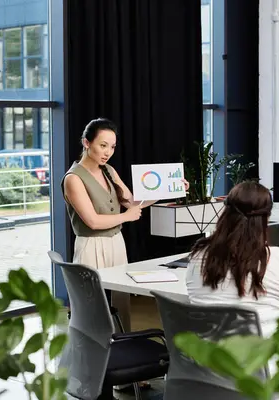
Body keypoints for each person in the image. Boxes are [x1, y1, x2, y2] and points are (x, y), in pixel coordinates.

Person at [62, 118, 188, 330]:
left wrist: (172, 188)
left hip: (116, 241)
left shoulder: (109, 171)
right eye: (102, 146)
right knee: (90, 303)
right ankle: (91, 349)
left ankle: (123, 342)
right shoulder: (73, 178)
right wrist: (126, 217)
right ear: (86, 143)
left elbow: (132, 202)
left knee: (122, 299)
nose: (108, 152)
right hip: (90, 245)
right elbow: (92, 221)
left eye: (112, 147)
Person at [186, 181, 279, 341]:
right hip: (262, 363)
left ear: (225, 211)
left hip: (206, 362)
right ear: (266, 218)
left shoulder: (198, 256)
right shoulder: (273, 259)